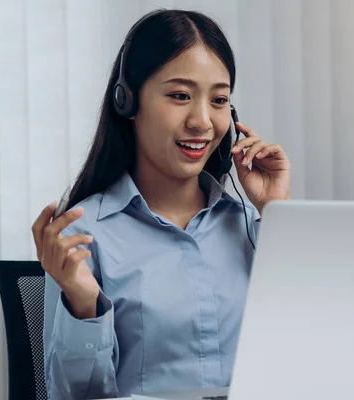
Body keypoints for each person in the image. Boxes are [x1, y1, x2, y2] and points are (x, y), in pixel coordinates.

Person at [30, 9, 291, 399]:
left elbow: (300, 356)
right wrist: (84, 306)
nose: (203, 121)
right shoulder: (81, 238)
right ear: (128, 102)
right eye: (180, 96)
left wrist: (277, 215)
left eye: (219, 100)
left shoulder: (251, 225)